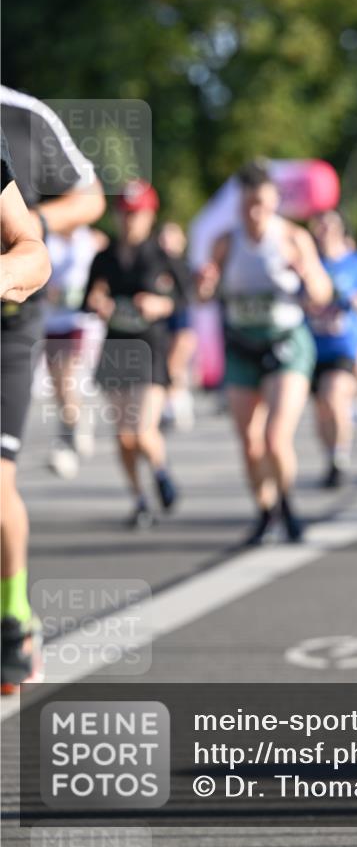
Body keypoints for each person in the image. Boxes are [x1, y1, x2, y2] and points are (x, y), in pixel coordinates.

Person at [1, 85, 105, 695]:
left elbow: (88, 199)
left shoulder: (24, 116)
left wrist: (31, 233)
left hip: (11, 327)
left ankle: (12, 613)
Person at [199, 160, 332, 545]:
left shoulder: (292, 238)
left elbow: (322, 293)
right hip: (242, 344)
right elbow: (204, 295)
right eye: (247, 206)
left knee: (275, 437)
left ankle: (287, 504)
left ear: (274, 201)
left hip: (285, 342)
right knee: (249, 441)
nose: (254, 213)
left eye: (261, 204)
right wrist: (205, 284)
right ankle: (264, 508)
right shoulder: (226, 241)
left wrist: (306, 273)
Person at [84, 180, 183, 528]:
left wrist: (161, 303)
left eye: (136, 214)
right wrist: (98, 302)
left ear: (150, 215)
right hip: (116, 347)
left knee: (142, 429)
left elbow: (184, 301)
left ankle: (161, 471)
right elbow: (88, 298)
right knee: (123, 435)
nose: (130, 221)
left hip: (150, 347)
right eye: (124, 214)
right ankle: (139, 499)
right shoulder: (105, 256)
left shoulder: (161, 255)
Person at [308, 211, 357, 487]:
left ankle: (340, 457)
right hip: (312, 345)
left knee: (333, 396)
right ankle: (330, 456)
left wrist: (356, 301)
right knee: (321, 408)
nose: (324, 230)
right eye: (320, 225)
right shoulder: (309, 262)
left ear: (340, 229)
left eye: (329, 225)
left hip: (345, 345)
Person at [43, 226, 107, 478]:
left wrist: (98, 292)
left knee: (67, 378)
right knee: (58, 385)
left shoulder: (90, 239)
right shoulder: (45, 236)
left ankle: (66, 442)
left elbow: (107, 268)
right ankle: (78, 421)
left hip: (78, 321)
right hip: (51, 320)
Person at [158, 222, 197, 432]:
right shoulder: (154, 267)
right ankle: (171, 404)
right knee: (166, 365)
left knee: (176, 365)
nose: (167, 243)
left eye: (171, 238)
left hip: (181, 323)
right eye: (163, 238)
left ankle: (177, 403)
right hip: (161, 326)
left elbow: (189, 296)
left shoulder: (185, 267)